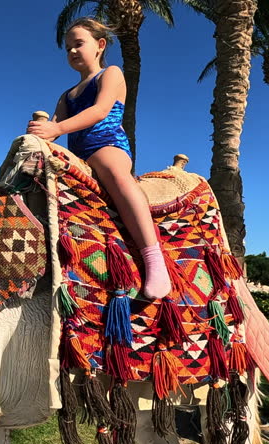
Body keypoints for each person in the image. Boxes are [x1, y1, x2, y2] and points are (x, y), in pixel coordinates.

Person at [26, 17, 170, 300]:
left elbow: (100, 111)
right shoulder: (67, 95)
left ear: (100, 45)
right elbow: (53, 129)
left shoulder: (111, 74)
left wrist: (56, 128)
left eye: (79, 44)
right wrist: (39, 134)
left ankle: (154, 259)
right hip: (79, 155)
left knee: (115, 173)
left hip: (107, 145)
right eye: (67, 48)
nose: (72, 52)